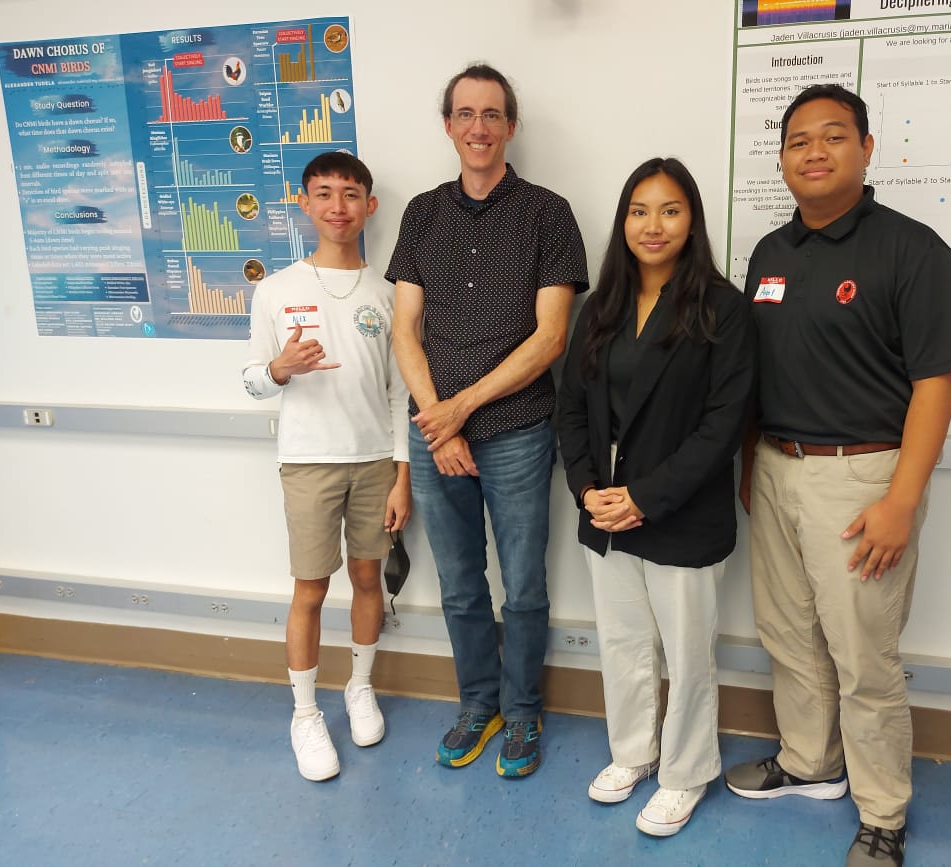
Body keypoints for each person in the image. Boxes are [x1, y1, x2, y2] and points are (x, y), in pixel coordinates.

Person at [724, 85, 951, 866]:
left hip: (863, 479)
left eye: (834, 136)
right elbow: (752, 372)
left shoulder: (913, 249)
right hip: (774, 470)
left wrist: (901, 499)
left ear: (867, 149)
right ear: (782, 159)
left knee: (865, 658)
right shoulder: (770, 253)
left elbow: (938, 381)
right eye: (799, 140)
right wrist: (748, 464)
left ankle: (883, 814)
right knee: (789, 636)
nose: (815, 151)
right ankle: (809, 761)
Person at [385, 63, 587, 777]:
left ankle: (523, 711)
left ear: (511, 125)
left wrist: (458, 411)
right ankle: (480, 704)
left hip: (518, 430)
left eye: (492, 114)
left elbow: (550, 338)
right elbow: (404, 328)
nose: (479, 127)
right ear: (447, 125)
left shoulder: (548, 213)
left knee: (524, 584)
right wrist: (435, 423)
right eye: (465, 114)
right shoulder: (421, 214)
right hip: (435, 430)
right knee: (461, 584)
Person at [557, 157, 755, 836]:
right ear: (622, 221)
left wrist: (644, 496)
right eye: (639, 210)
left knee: (688, 651)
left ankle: (686, 772)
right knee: (623, 642)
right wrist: (587, 489)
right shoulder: (599, 307)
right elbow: (571, 412)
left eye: (670, 209)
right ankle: (633, 753)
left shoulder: (722, 309)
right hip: (606, 514)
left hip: (680, 514)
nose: (653, 225)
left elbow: (722, 424)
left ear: (691, 219)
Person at [243, 151, 411, 782]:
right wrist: (280, 369)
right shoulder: (277, 289)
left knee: (369, 581)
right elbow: (253, 380)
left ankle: (358, 686)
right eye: (324, 193)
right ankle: (305, 713)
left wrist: (403, 473)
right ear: (304, 202)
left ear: (369, 205)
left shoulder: (390, 293)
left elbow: (401, 392)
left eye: (350, 194)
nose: (337, 205)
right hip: (309, 463)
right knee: (310, 588)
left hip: (374, 463)